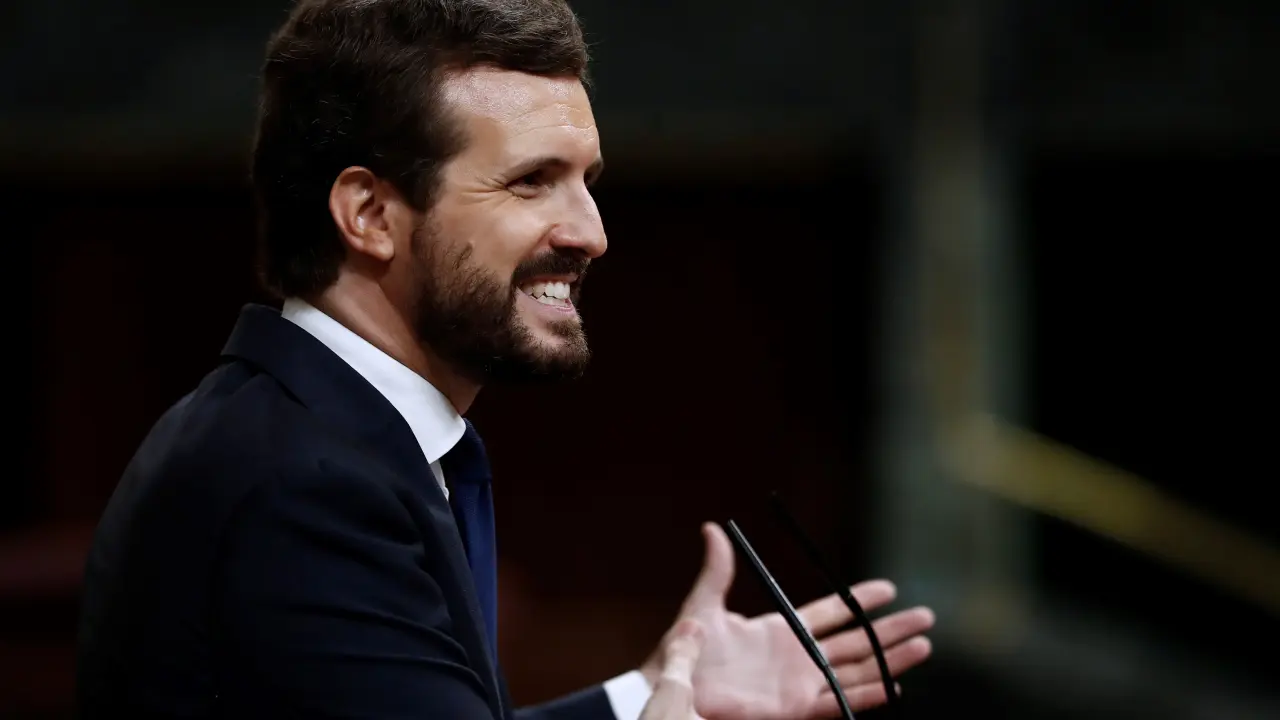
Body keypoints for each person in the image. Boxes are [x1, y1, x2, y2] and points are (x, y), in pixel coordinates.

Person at [74, 0, 935, 718]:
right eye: (531, 181)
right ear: (369, 214)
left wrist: (654, 695)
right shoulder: (300, 485)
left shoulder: (309, 436)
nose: (592, 233)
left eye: (588, 181)